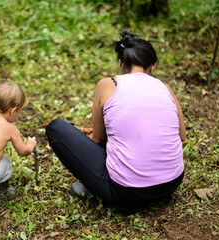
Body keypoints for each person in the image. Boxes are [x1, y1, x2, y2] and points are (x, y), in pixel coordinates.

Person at [46, 30, 186, 208]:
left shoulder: (108, 85)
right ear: (153, 66)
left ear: (121, 64)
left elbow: (98, 138)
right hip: (172, 183)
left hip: (126, 193)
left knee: (55, 127)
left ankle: (95, 186)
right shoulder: (165, 88)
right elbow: (182, 136)